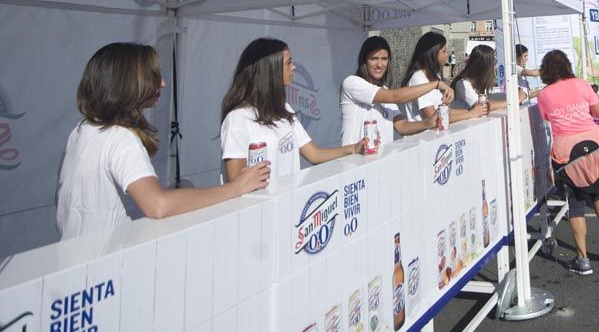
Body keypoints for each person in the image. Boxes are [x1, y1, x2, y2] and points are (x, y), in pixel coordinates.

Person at [57, 43, 270, 240]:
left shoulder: (82, 130)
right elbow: (158, 205)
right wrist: (236, 187)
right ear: (129, 82)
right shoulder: (120, 138)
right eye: (154, 75)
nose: (162, 82)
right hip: (108, 266)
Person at [221, 38, 365, 184]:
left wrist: (354, 148)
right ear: (270, 70)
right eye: (288, 62)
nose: (294, 67)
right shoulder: (237, 118)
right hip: (262, 206)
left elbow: (314, 154)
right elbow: (236, 184)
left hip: (289, 203)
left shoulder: (284, 108)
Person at [536, 50, 599, 274]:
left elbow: (545, 119)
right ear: (566, 65)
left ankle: (583, 259)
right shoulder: (581, 84)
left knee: (576, 204)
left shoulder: (544, 95)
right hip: (593, 146)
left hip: (567, 154)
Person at [340, 36, 456, 150]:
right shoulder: (352, 83)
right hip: (355, 163)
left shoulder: (385, 90)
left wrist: (428, 123)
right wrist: (436, 84)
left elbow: (402, 127)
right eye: (374, 58)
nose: (380, 65)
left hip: (380, 162)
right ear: (364, 60)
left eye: (384, 59)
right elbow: (397, 97)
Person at [402, 32, 487, 125]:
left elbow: (446, 111)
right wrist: (471, 113)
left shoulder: (435, 76)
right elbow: (433, 118)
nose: (447, 54)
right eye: (444, 51)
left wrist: (471, 111)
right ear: (432, 53)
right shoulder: (418, 78)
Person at [451, 44, 523, 108]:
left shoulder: (479, 82)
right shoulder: (463, 84)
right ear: (484, 66)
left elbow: (488, 100)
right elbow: (481, 106)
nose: (495, 66)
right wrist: (514, 101)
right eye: (494, 61)